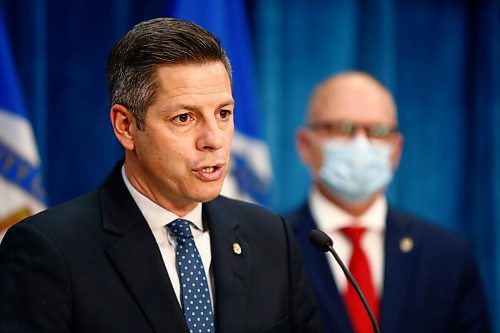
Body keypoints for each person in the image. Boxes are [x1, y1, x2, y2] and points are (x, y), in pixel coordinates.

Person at [0, 18, 322, 333]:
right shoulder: (50, 250)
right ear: (125, 126)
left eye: (223, 113)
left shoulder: (270, 237)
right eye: (184, 118)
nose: (214, 139)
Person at [285, 71, 492, 333]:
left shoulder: (448, 255)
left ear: (396, 150)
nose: (361, 144)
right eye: (343, 128)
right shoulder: (270, 247)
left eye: (378, 131)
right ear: (305, 145)